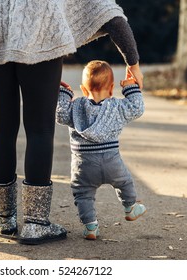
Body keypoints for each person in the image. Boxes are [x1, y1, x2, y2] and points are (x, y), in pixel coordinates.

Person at [0, 0, 143, 245]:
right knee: (40, 129)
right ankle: (35, 224)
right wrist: (134, 64)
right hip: (41, 33)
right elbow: (109, 14)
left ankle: (4, 217)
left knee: (1, 129)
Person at [56, 60, 146, 240]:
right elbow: (137, 108)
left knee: (82, 194)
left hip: (84, 166)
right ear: (112, 89)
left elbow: (60, 113)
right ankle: (130, 207)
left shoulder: (75, 108)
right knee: (125, 182)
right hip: (112, 162)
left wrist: (63, 93)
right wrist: (130, 88)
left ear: (83, 89)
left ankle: (90, 226)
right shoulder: (117, 108)